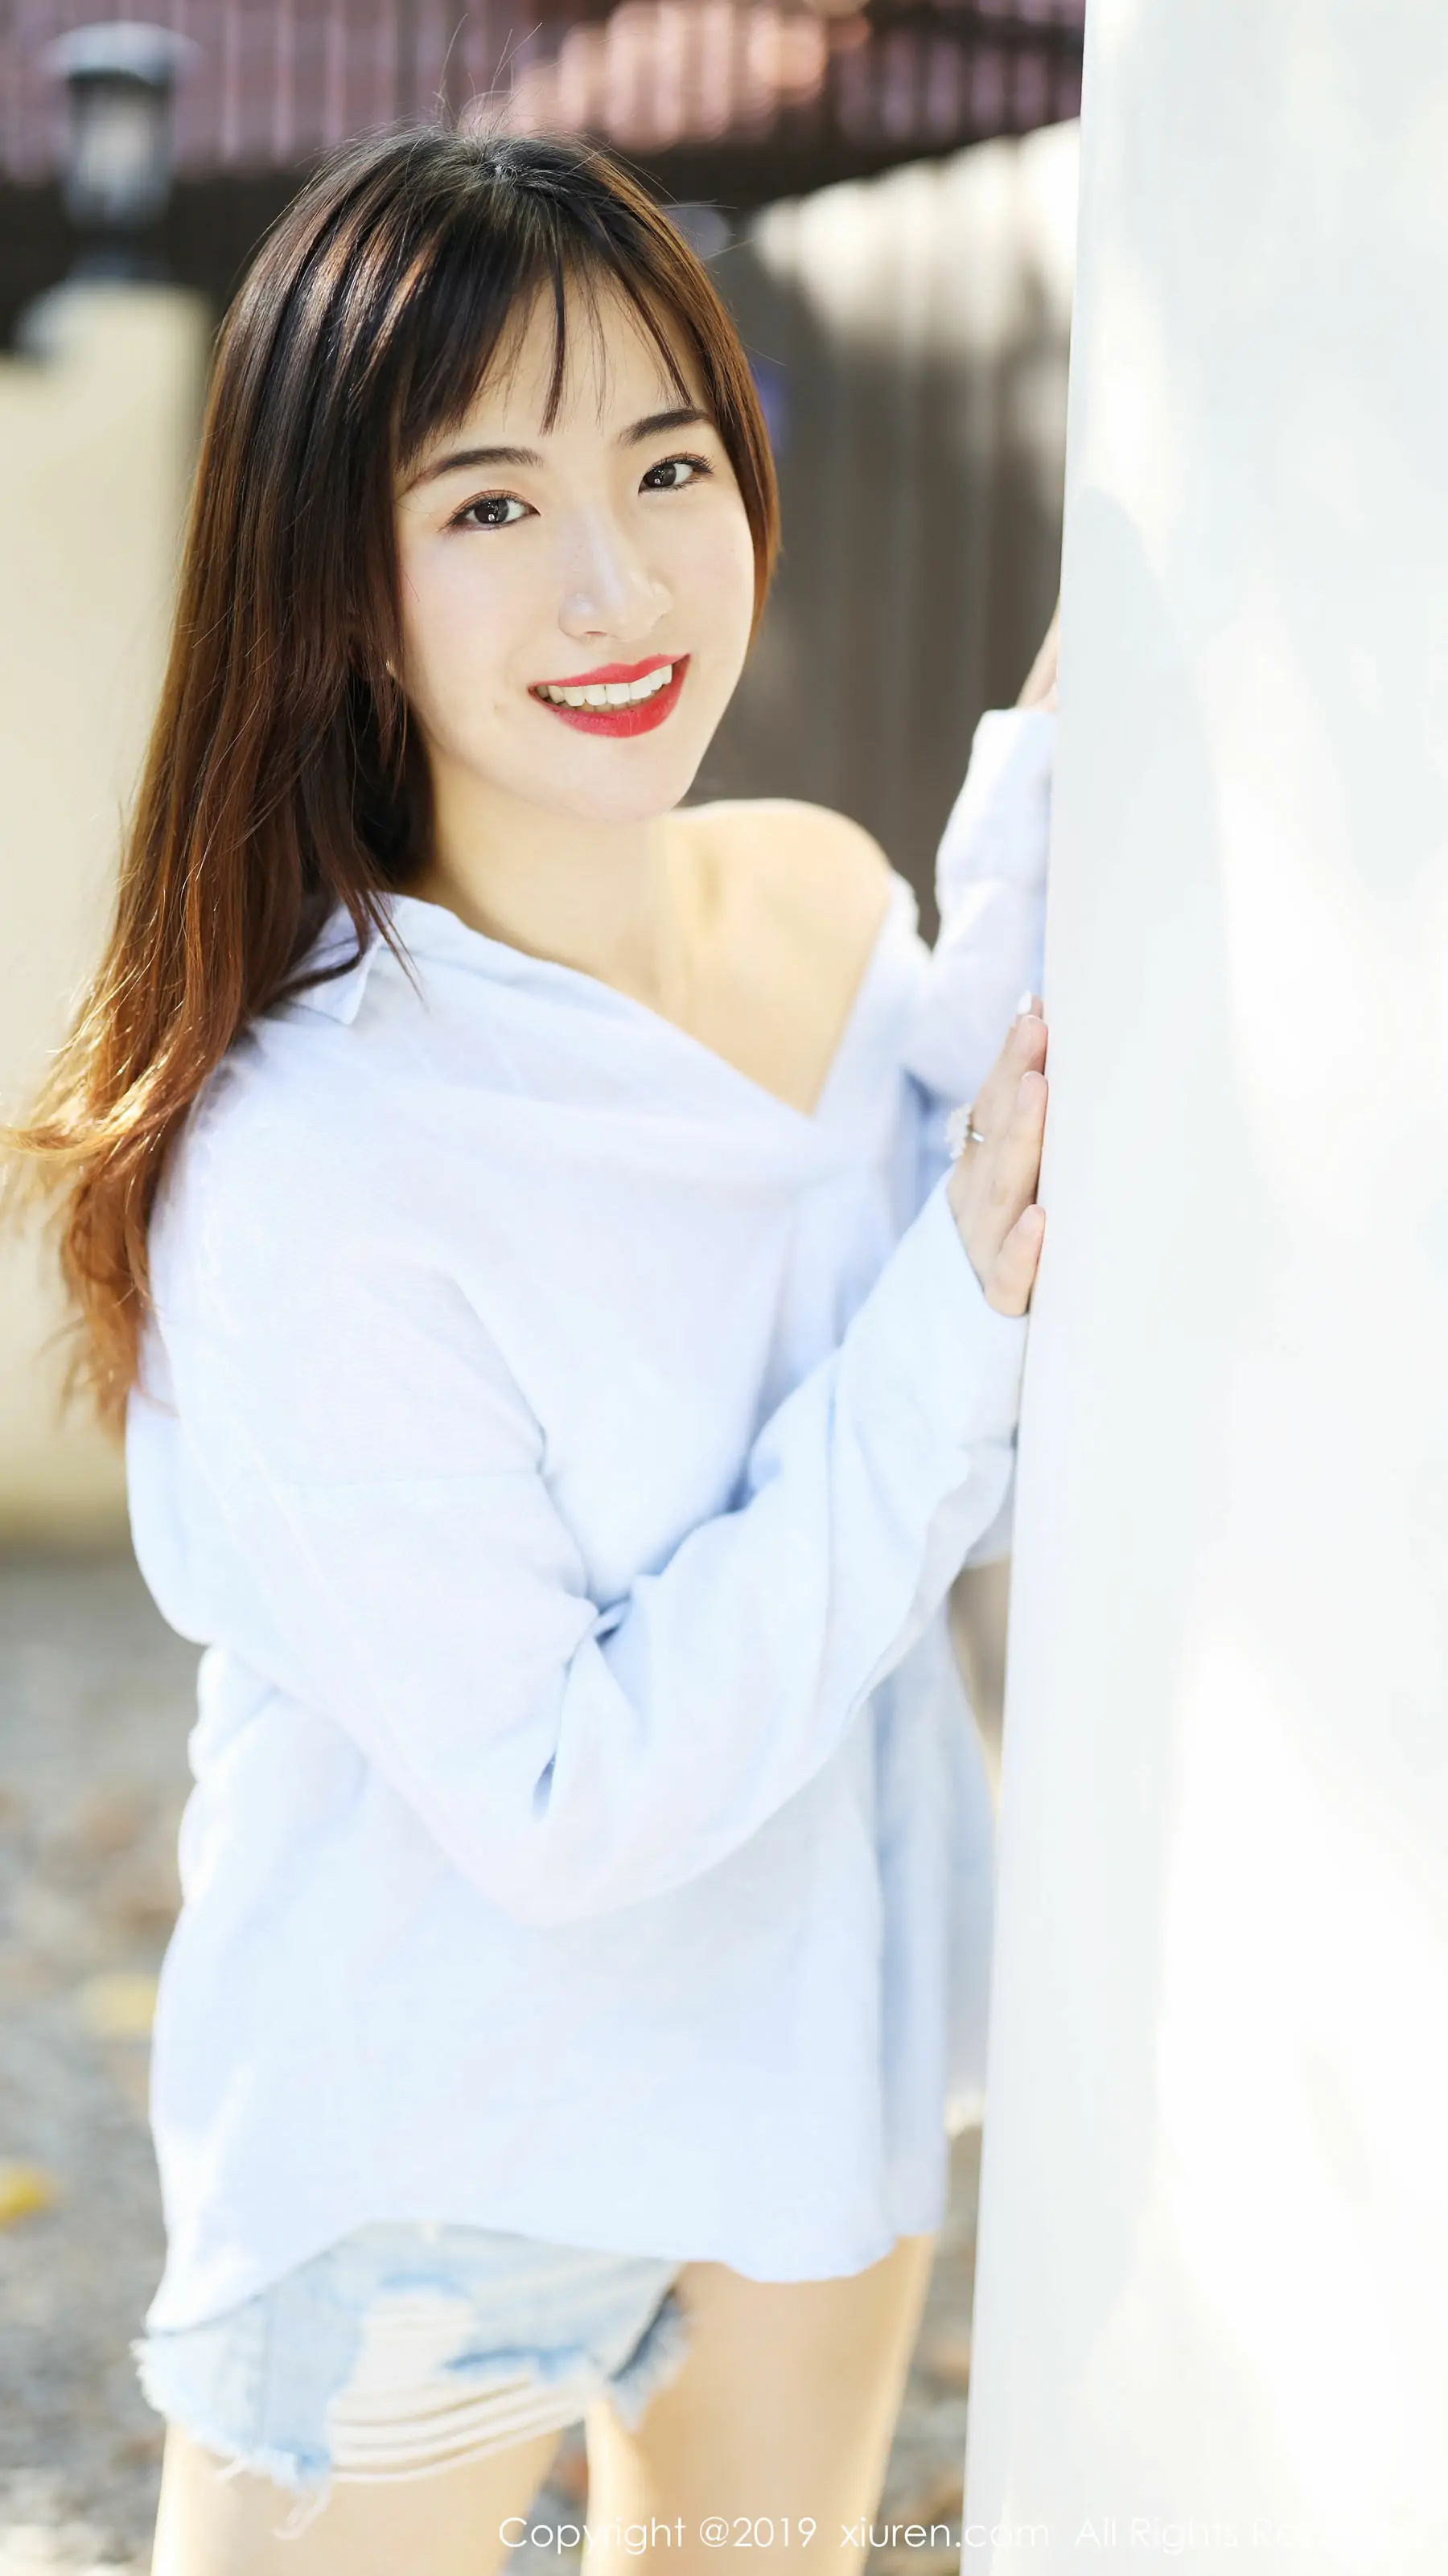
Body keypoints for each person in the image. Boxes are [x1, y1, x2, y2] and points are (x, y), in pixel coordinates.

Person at [10, 125, 1055, 2574]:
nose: (616, 580)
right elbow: (569, 1796)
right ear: (338, 586)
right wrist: (964, 1302)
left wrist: (1092, 739)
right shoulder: (318, 1152)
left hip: (807, 2067)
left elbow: (978, 1206)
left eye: (668, 465)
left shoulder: (821, 901)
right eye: (489, 504)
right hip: (428, 2150)